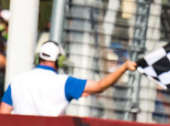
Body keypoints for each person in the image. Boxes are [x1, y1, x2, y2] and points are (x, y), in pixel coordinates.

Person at [0, 40, 136, 116]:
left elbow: (3, 113)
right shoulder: (63, 83)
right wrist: (123, 68)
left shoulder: (17, 81)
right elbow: (99, 86)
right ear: (59, 60)